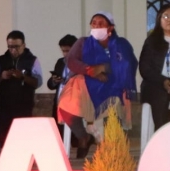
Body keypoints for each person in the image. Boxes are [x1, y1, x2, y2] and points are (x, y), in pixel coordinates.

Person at [59, 11, 137, 158]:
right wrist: (90, 71)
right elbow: (71, 61)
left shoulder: (121, 44)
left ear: (110, 27)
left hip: (113, 86)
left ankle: (110, 157)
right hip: (86, 85)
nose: (96, 26)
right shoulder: (82, 42)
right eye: (93, 23)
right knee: (66, 106)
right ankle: (83, 137)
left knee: (112, 114)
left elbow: (128, 64)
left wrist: (104, 68)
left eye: (101, 24)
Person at [0, 30, 42, 147]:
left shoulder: (32, 60)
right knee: (4, 138)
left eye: (16, 47)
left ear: (24, 45)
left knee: (23, 137)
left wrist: (22, 77)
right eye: (10, 47)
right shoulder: (1, 60)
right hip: (4, 106)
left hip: (24, 105)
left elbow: (37, 82)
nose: (13, 50)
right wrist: (2, 76)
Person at [47, 34, 78, 117]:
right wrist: (54, 80)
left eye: (68, 51)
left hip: (75, 106)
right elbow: (50, 85)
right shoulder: (60, 62)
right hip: (59, 106)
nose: (65, 54)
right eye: (63, 51)